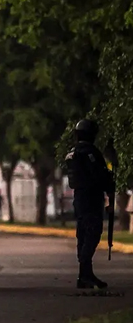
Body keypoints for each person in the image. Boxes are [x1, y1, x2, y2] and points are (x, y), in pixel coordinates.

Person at [65, 119, 114, 289]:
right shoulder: (89, 152)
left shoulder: (73, 152)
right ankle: (85, 272)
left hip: (79, 197)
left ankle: (84, 274)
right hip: (91, 197)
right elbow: (99, 175)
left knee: (83, 233)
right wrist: (110, 188)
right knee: (93, 232)